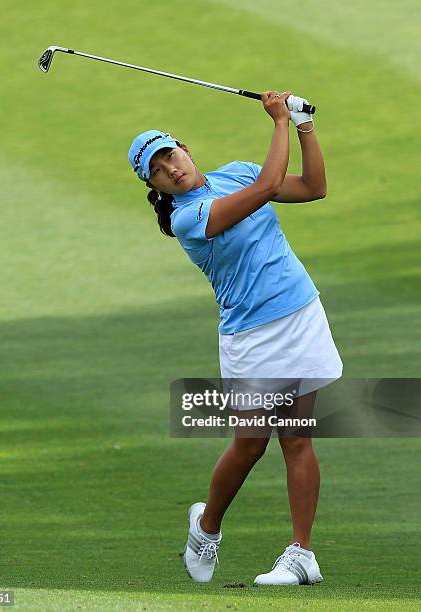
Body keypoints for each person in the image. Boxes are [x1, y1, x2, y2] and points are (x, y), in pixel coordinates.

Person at [127, 91, 343, 586]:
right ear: (154, 185)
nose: (172, 169)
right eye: (159, 170)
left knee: (297, 437)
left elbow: (313, 187)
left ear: (184, 148)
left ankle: (301, 554)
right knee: (249, 446)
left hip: (301, 313)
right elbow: (269, 187)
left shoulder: (238, 172)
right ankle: (206, 528)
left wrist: (305, 127)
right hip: (252, 337)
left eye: (170, 155)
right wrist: (279, 122)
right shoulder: (187, 218)